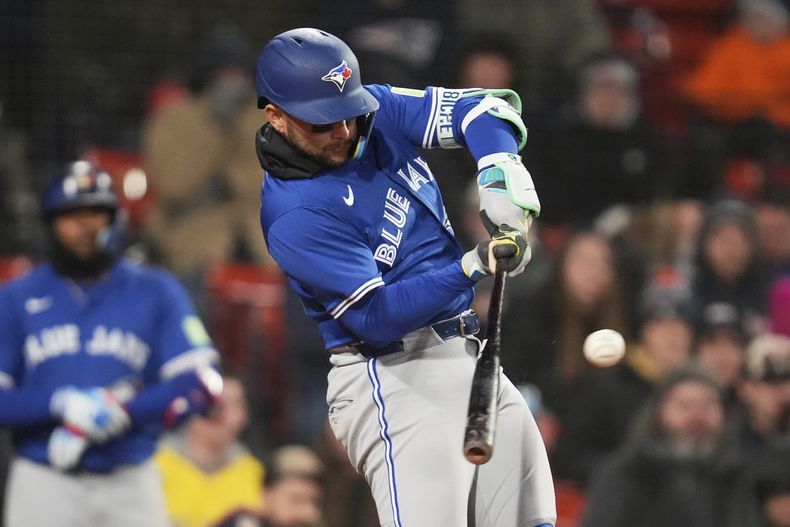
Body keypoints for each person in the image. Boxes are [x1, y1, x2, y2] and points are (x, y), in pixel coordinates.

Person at [254, 28, 555, 527]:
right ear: (276, 116)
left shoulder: (373, 112)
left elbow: (485, 108)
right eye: (322, 121)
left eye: (347, 111)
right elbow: (375, 317)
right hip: (391, 377)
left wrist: (497, 165)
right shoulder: (294, 212)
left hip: (463, 352)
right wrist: (474, 265)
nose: (342, 131)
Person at [0, 161, 223, 527]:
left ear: (115, 220)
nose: (86, 227)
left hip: (131, 476)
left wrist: (121, 411)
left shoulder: (156, 290)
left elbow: (202, 380)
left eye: (96, 213)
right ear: (50, 223)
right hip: (44, 478)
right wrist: (61, 404)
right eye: (72, 215)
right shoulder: (15, 297)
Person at [580, 366, 744, 527]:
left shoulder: (741, 477)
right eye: (685, 405)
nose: (697, 416)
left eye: (707, 405)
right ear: (659, 411)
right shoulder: (624, 474)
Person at [155, 376, 264, 527]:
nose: (233, 417)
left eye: (238, 405)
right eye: (220, 405)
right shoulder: (155, 464)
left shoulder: (251, 471)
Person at [214, 444, 325, 527]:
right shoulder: (244, 522)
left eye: (315, 503)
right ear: (266, 494)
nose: (309, 513)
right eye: (296, 500)